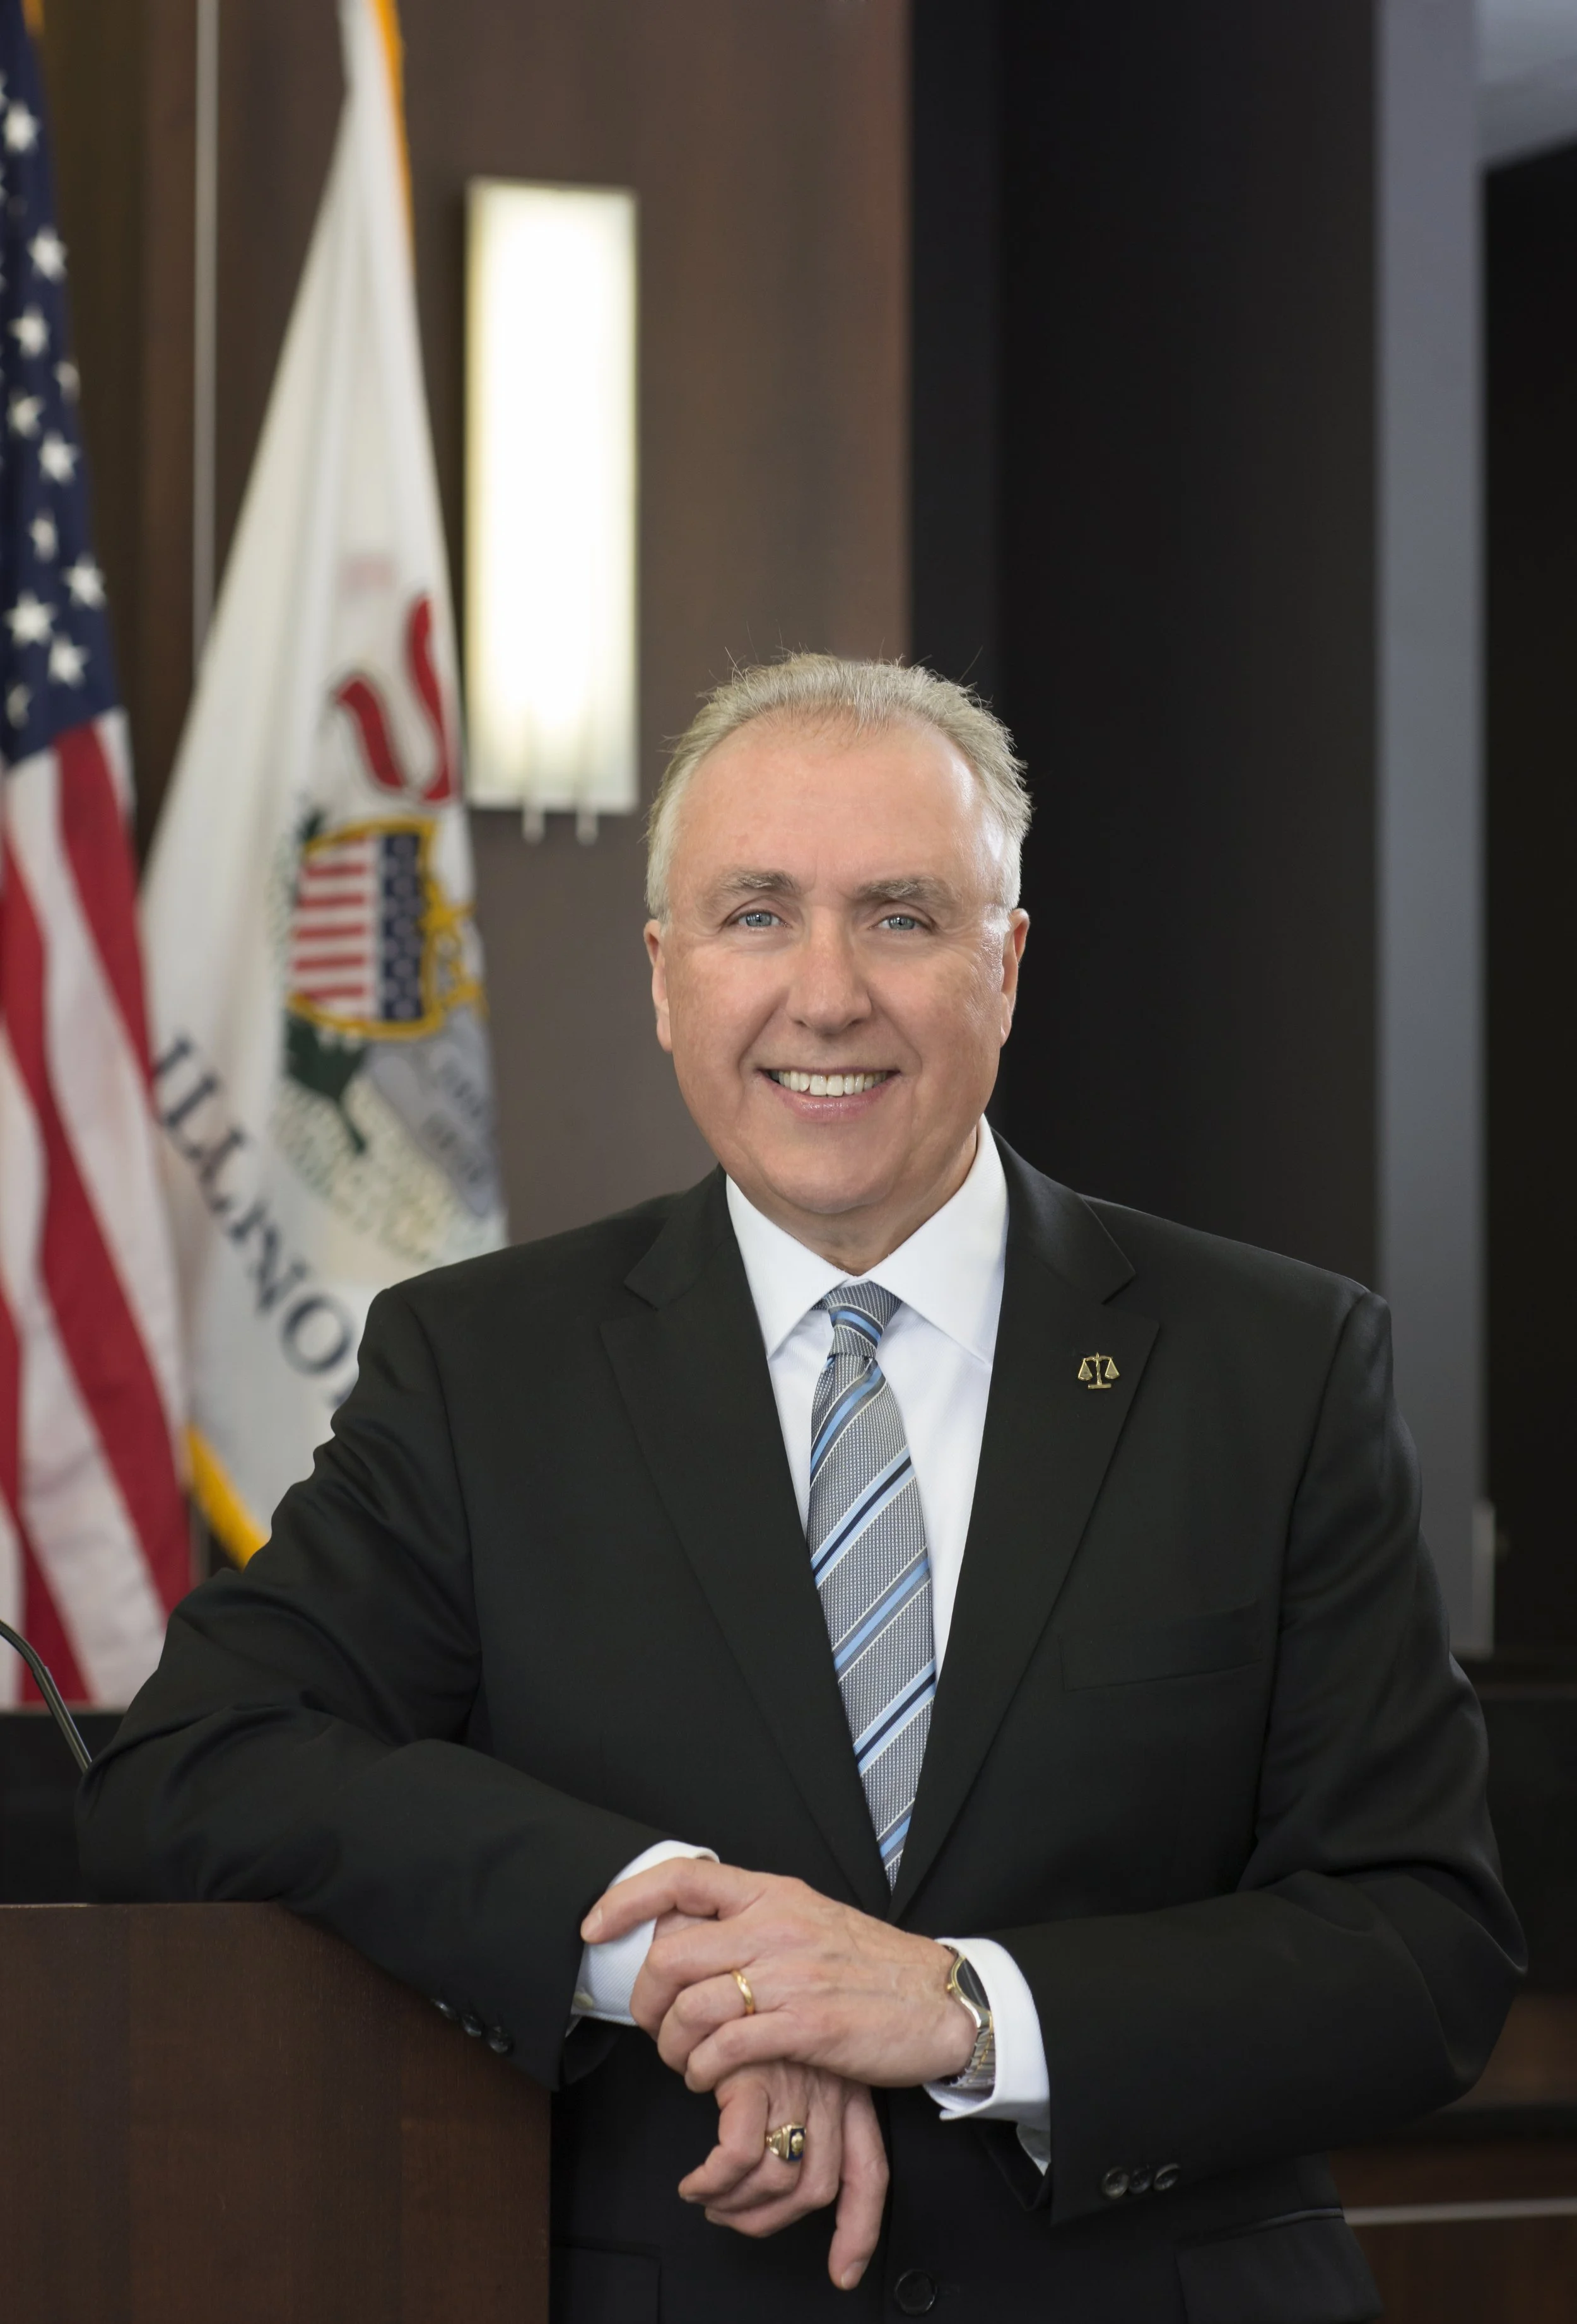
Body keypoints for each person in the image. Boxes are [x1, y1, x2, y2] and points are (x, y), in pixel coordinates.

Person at [79, 655, 1523, 2323]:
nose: (824, 993)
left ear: (1008, 962)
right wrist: (679, 1950)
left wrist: (963, 2004)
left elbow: (1421, 1947)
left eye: (900, 915)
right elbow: (195, 1763)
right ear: (662, 975)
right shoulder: (480, 1368)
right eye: (754, 914)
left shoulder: (1272, 1365)